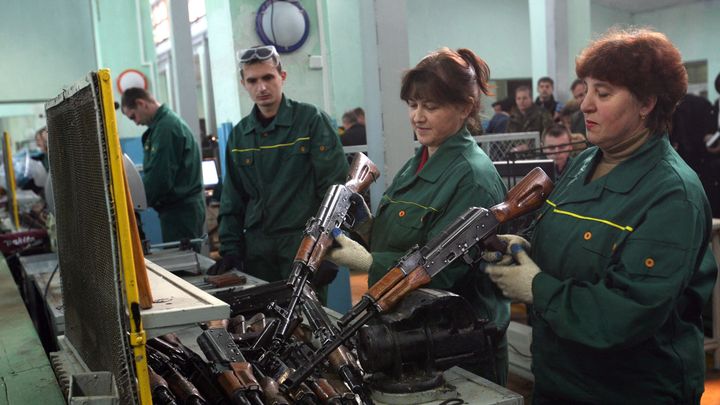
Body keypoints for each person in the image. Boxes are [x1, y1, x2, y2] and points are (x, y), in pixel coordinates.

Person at [485, 28, 715, 403]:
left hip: (628, 390)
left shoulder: (672, 194)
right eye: (586, 89)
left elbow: (627, 312)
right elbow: (573, 243)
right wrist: (527, 249)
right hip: (559, 378)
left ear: (646, 104)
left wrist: (536, 287)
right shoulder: (585, 162)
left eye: (603, 93)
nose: (585, 105)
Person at [325, 47, 510, 385]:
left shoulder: (472, 177)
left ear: (465, 107)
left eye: (431, 106)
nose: (417, 117)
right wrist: (363, 221)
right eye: (413, 105)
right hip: (413, 337)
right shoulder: (422, 160)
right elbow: (405, 234)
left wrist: (367, 262)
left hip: (460, 347)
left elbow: (442, 270)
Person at [211, 45, 349, 287]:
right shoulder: (239, 136)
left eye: (268, 77)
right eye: (252, 80)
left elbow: (336, 191)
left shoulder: (311, 122)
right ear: (243, 84)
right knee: (261, 322)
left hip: (302, 246)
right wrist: (230, 249)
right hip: (257, 253)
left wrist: (330, 246)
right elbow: (232, 199)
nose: (261, 87)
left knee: (304, 323)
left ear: (282, 77)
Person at [121, 88, 205, 242]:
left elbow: (159, 178)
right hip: (177, 210)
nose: (137, 122)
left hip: (181, 212)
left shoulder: (166, 128)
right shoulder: (161, 126)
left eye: (133, 117)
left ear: (141, 103)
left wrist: (131, 205)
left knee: (183, 263)